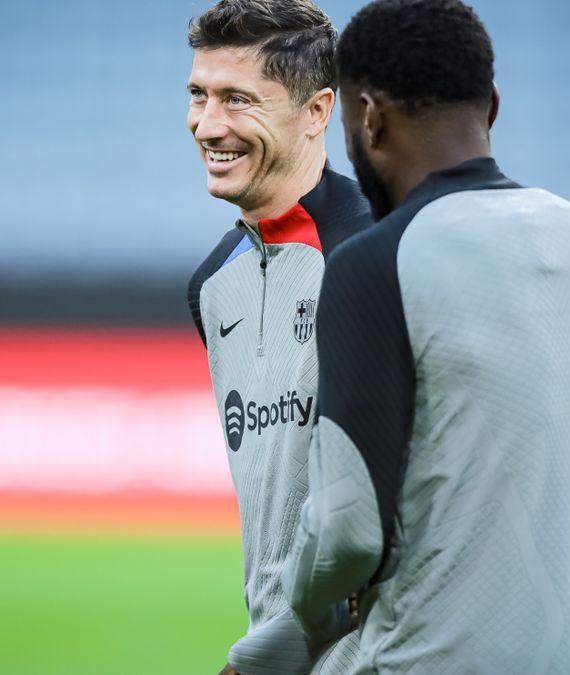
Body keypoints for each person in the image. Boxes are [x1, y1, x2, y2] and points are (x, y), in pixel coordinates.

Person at [283, 0, 570, 672]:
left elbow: (346, 535)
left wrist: (300, 601)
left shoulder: (374, 263)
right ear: (492, 105)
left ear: (370, 118)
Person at [184, 1, 372, 672]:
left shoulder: (378, 253)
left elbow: (381, 520)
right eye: (199, 95)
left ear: (318, 111)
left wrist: (266, 654)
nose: (208, 124)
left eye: (237, 99)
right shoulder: (211, 284)